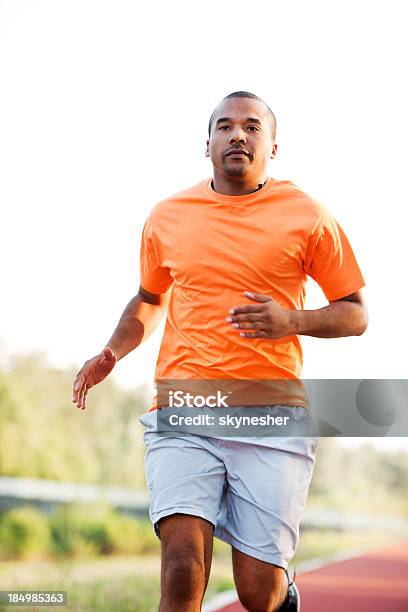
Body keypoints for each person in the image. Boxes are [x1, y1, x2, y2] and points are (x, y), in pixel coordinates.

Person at [72, 91, 368, 612]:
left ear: (273, 146)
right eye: (225, 126)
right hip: (185, 406)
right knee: (183, 568)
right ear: (206, 143)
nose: (238, 135)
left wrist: (291, 320)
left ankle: (283, 593)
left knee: (258, 595)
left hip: (271, 415)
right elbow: (149, 298)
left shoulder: (309, 216)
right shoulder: (167, 216)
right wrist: (112, 352)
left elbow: (355, 312)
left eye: (252, 127)